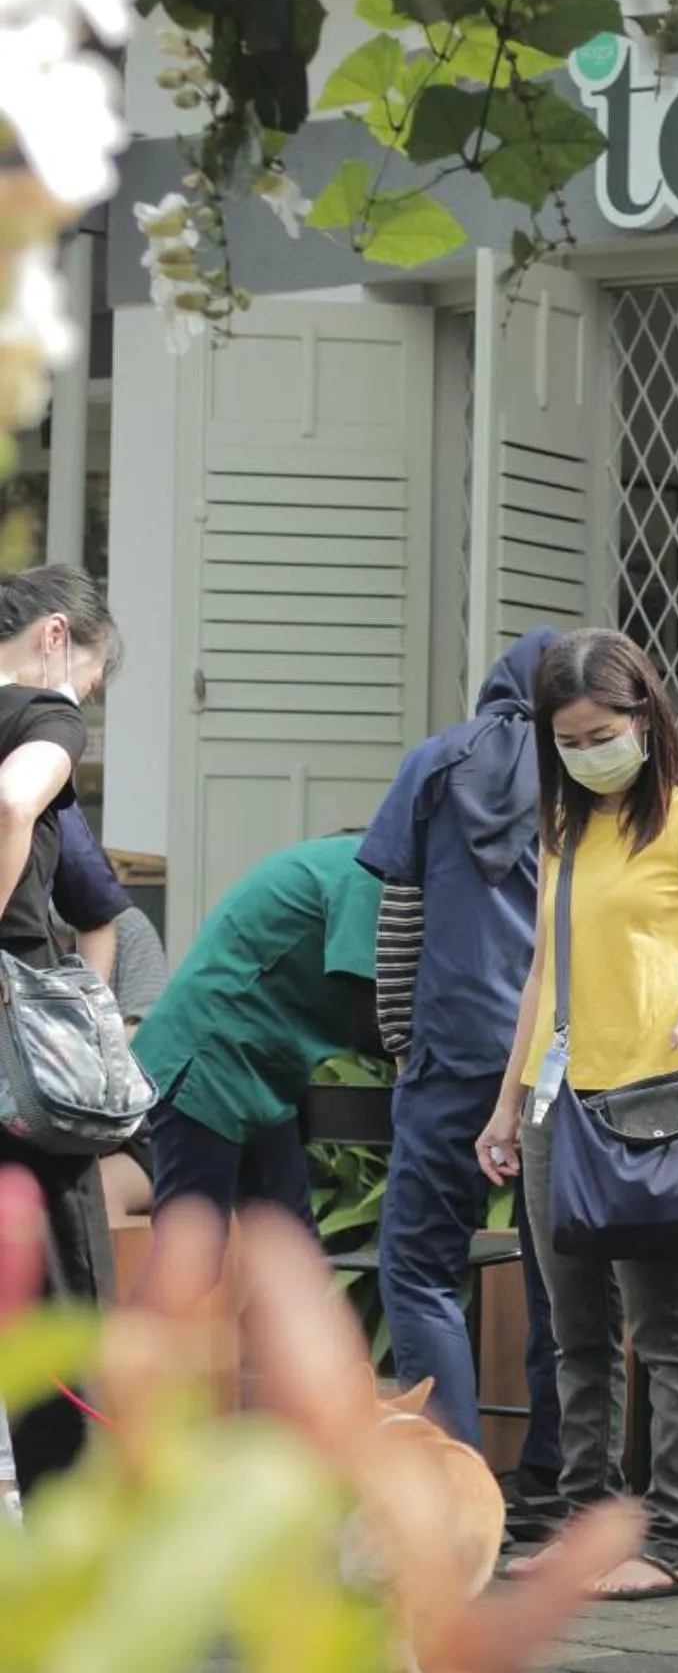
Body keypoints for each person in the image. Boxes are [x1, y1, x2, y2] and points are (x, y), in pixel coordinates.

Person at [477, 628, 678, 1600]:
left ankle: (674, 1542)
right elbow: (538, 977)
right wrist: (507, 1107)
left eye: (602, 731)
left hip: (658, 1105)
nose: (587, 751)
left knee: (668, 1329)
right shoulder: (565, 831)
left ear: (646, 715)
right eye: (568, 738)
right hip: (565, 1104)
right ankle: (589, 1531)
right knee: (574, 1333)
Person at [360, 633, 563, 1544]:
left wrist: (404, 1042)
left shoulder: (437, 763)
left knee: (420, 1266)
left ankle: (449, 1484)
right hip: (567, 1054)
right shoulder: (585, 766)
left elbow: (400, 916)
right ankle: (556, 1484)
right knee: (565, 1277)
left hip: (452, 1049)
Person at [0, 564, 124, 1497]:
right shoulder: (44, 717)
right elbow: (14, 799)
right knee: (64, 1297)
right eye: (88, 675)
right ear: (53, 636)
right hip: (19, 1059)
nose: (83, 701)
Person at [130, 834, 381, 1239]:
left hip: (259, 1072)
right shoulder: (365, 876)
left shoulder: (350, 864)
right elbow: (369, 1023)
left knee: (291, 1257)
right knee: (191, 1259)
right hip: (210, 1060)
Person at [49, 799, 168, 1221]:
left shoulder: (128, 927)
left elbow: (145, 1034)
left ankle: (101, 1288)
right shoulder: (31, 940)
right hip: (55, 1128)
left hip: (136, 1132)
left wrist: (75, 1050)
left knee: (93, 1196)